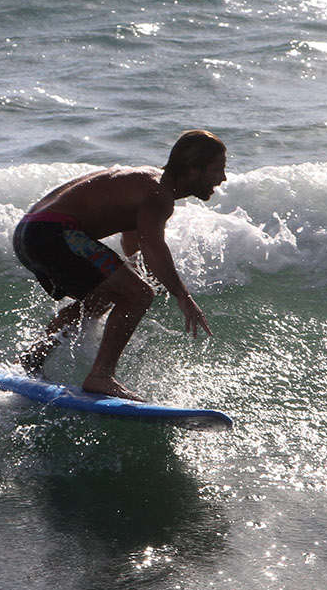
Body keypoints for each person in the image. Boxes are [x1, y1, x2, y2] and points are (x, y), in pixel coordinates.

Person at [11, 129, 226, 401]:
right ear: (193, 170)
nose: (223, 178)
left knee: (102, 298)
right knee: (138, 295)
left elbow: (134, 239)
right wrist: (182, 295)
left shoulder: (146, 181)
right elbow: (153, 246)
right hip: (54, 233)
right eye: (218, 169)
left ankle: (32, 359)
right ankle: (101, 376)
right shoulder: (159, 195)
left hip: (28, 233)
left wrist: (139, 276)